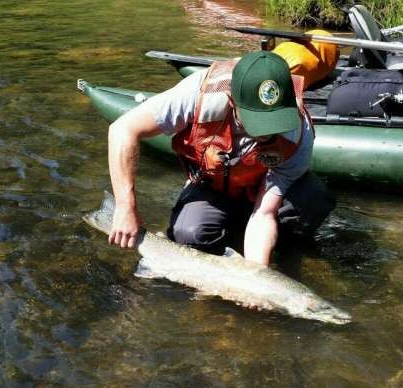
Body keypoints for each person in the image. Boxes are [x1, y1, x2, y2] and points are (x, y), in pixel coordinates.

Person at [106, 50, 334, 266]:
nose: (266, 133)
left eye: (274, 122)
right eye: (257, 123)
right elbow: (122, 129)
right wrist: (125, 207)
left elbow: (264, 214)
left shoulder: (298, 133)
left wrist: (256, 272)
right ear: (233, 103)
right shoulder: (197, 94)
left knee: (313, 199)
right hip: (212, 185)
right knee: (189, 234)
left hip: (260, 190)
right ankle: (228, 228)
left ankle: (273, 245)